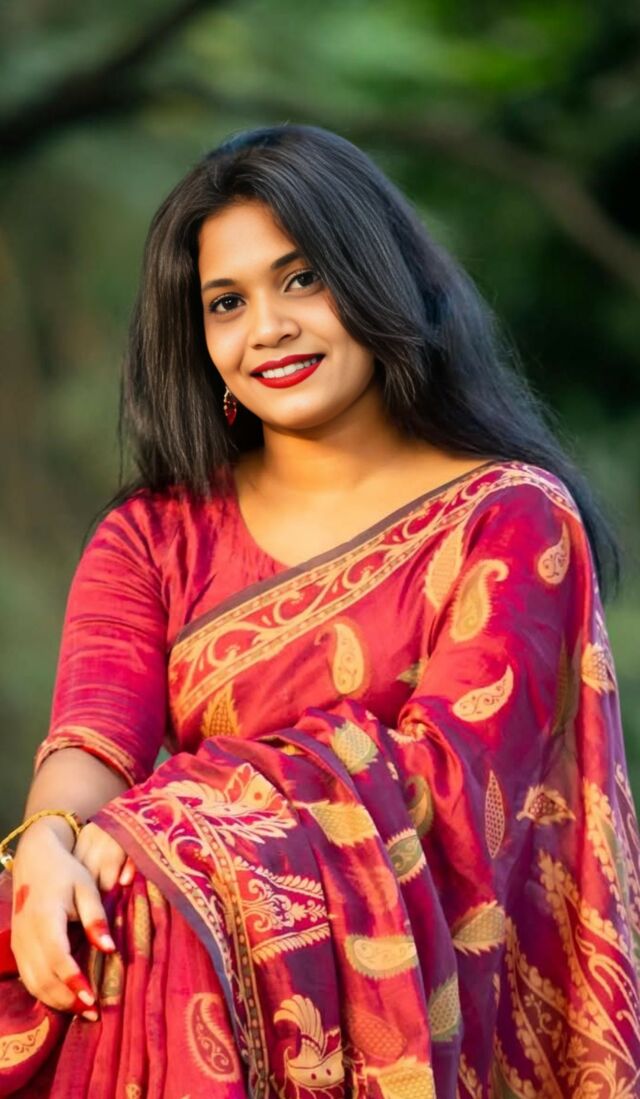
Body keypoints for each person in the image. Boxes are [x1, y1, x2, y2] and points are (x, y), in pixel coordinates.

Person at [0, 123, 638, 1099]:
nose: (267, 327)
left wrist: (176, 839)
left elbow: (451, 792)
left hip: (418, 1022)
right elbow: (93, 737)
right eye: (227, 302)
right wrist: (47, 846)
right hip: (198, 1003)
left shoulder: (507, 518)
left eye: (302, 279)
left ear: (378, 277)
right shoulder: (153, 536)